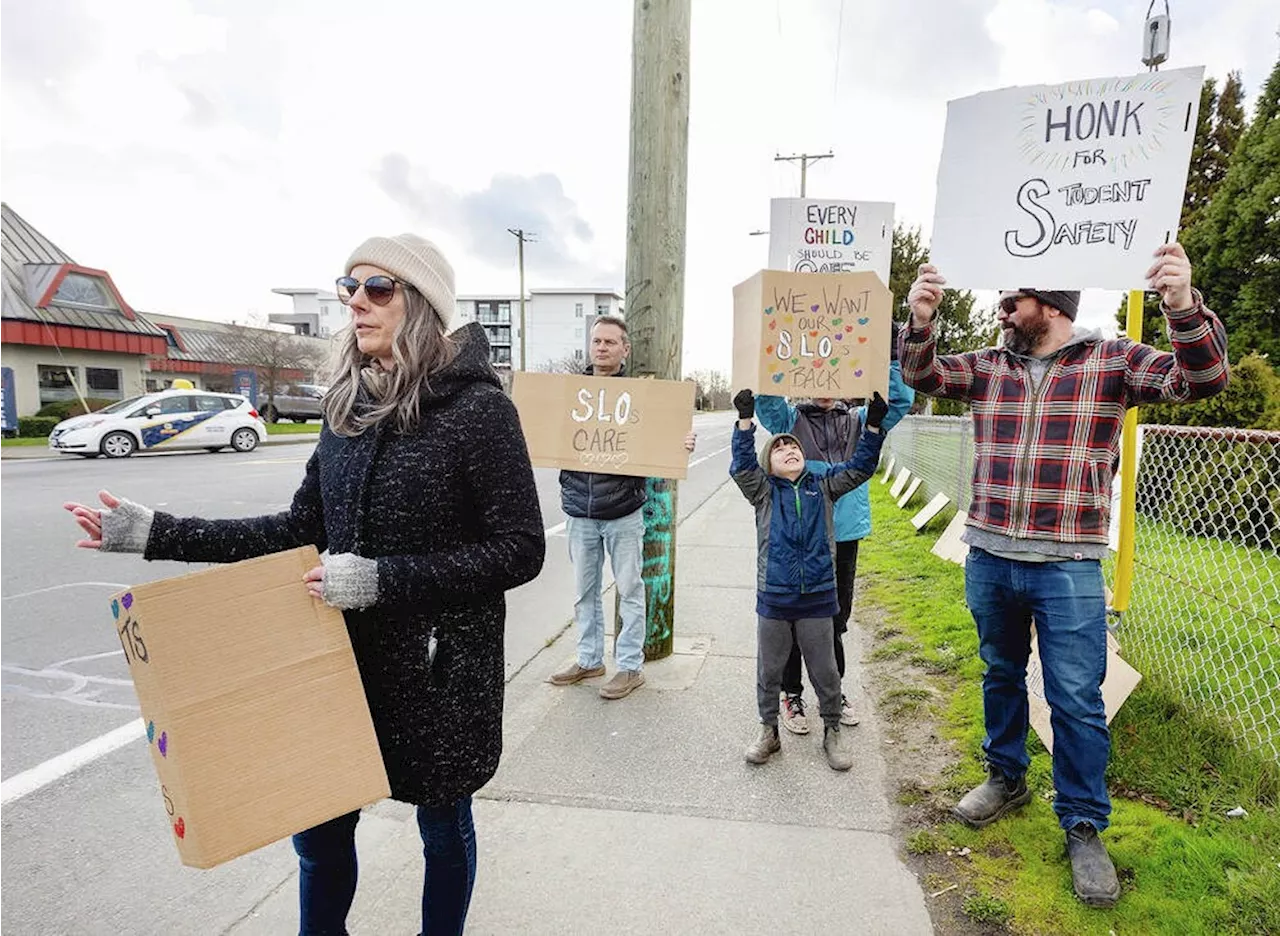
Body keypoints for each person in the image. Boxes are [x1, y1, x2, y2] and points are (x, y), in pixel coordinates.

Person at [64, 233, 546, 936]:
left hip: (441, 667)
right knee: (318, 837)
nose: (356, 301)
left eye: (378, 287)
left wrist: (383, 579)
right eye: (348, 286)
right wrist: (155, 532)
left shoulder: (479, 411)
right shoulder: (344, 410)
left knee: (442, 827)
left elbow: (519, 550)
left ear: (422, 305)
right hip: (337, 660)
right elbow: (299, 530)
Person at [899, 242, 1228, 908]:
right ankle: (1006, 777)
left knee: (1077, 698)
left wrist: (1181, 304)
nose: (1002, 307)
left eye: (1013, 298)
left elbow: (1202, 380)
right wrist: (922, 317)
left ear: (1048, 304)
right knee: (999, 673)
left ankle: (1082, 824)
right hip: (989, 555)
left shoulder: (1114, 362)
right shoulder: (990, 366)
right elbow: (924, 377)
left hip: (1070, 566)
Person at [755, 331, 915, 733]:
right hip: (797, 535)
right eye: (816, 379)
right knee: (791, 619)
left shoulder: (861, 420)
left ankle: (833, 691)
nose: (826, 388)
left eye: (835, 379)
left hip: (843, 534)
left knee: (835, 619)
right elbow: (766, 401)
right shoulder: (789, 421)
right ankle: (792, 697)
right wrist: (772, 343)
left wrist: (891, 356)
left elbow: (900, 402)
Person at [730, 386, 889, 771]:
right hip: (776, 598)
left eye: (794, 447)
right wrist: (745, 422)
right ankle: (768, 732)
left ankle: (831, 732)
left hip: (818, 597)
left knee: (826, 672)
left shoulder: (825, 486)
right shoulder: (763, 492)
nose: (790, 450)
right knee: (769, 671)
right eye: (781, 448)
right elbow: (741, 465)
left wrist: (873, 427)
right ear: (770, 463)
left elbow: (861, 467)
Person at [549, 315, 696, 700]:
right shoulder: (571, 393)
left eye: (610, 342)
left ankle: (630, 667)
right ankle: (589, 659)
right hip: (579, 509)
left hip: (623, 511)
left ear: (624, 349)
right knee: (585, 592)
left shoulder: (638, 397)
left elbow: (664, 438)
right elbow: (547, 434)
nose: (601, 348)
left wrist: (682, 443)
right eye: (597, 341)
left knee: (630, 590)